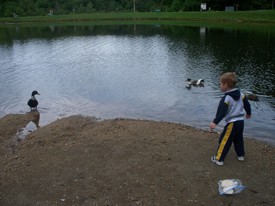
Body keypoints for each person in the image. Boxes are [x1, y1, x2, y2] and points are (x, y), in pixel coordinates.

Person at [210, 72, 251, 166]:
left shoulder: (226, 98)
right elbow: (247, 104)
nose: (219, 85)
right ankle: (241, 155)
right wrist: (248, 113)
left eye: (220, 84)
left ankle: (219, 159)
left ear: (225, 85)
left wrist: (215, 122)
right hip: (241, 122)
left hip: (232, 123)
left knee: (224, 140)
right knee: (238, 139)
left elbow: (221, 112)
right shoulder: (241, 94)